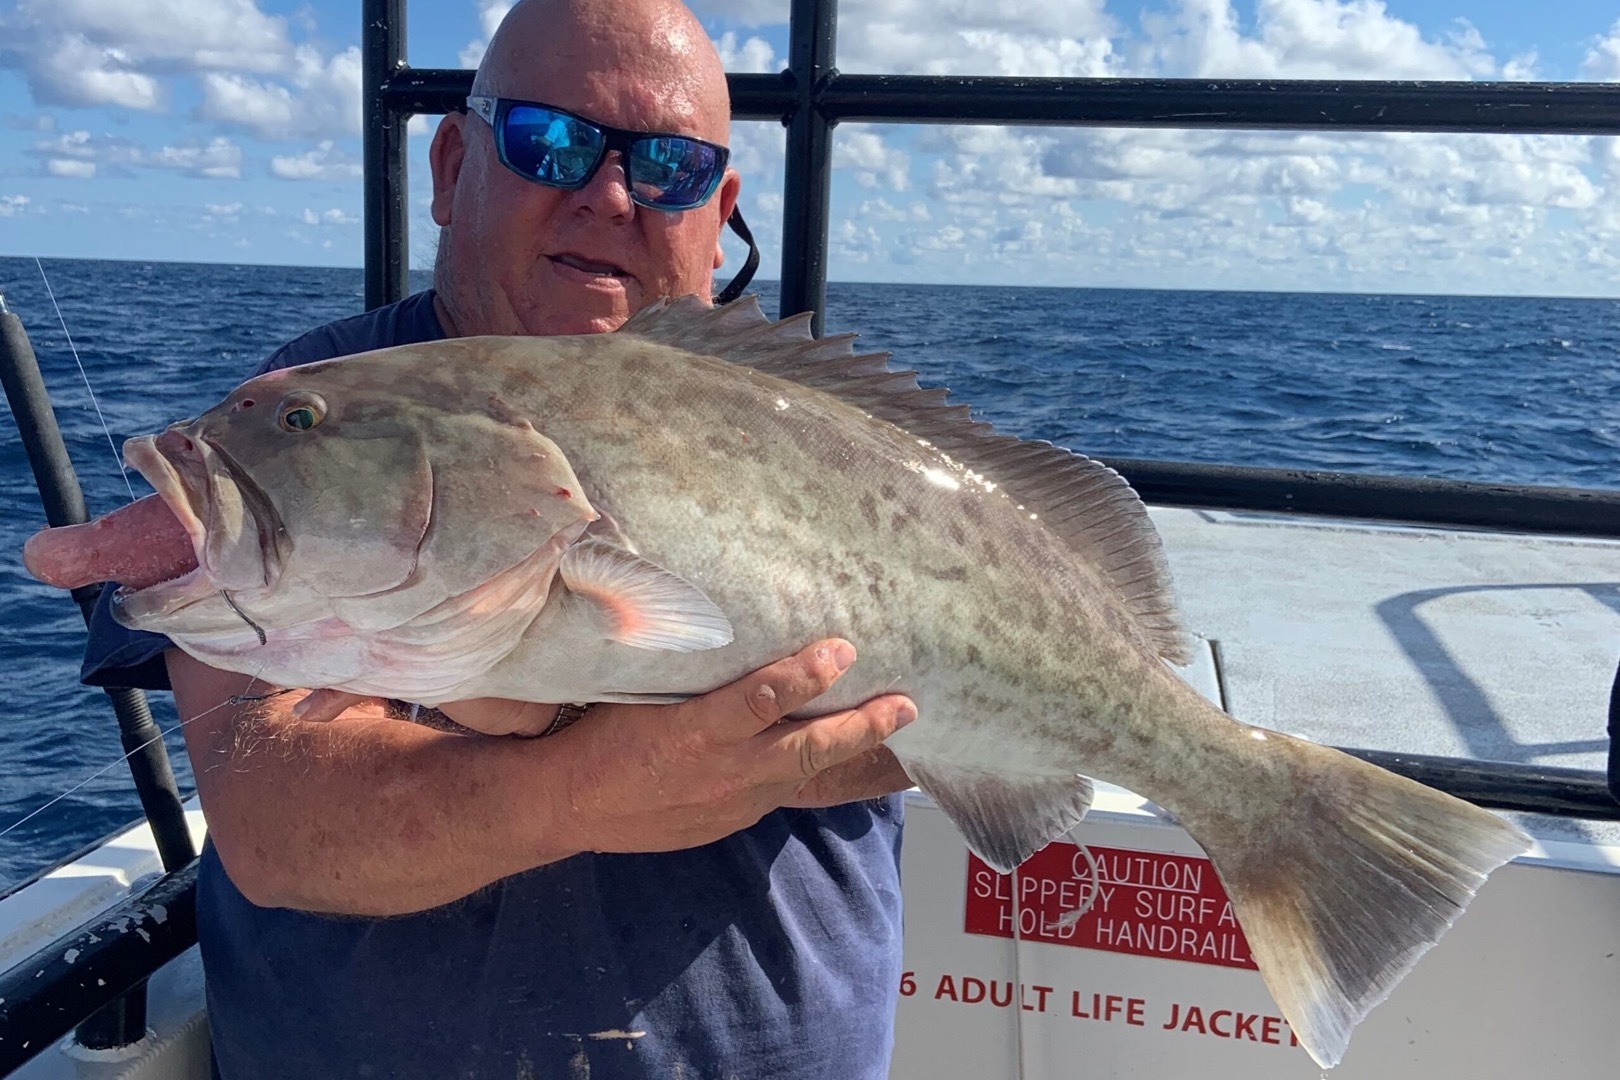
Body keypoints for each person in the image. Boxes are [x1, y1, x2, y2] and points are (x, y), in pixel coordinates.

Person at [78, 1, 919, 1076]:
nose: (611, 193)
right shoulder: (311, 414)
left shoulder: (850, 449)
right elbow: (278, 817)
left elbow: (946, 723)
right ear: (449, 162)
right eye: (550, 141)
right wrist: (586, 789)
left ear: (721, 214)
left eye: (671, 166)